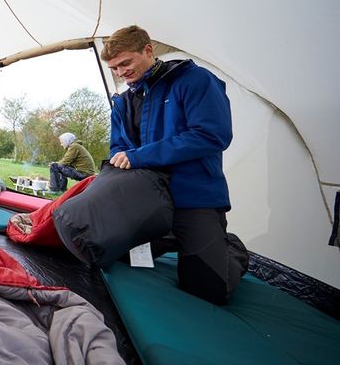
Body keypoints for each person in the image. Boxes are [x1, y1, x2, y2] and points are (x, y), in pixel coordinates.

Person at [101, 25, 249, 304]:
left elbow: (211, 135)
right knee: (114, 253)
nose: (121, 73)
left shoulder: (195, 80)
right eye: (114, 68)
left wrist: (140, 156)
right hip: (148, 201)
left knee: (209, 290)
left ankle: (231, 247)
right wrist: (121, 160)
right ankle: (170, 238)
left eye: (125, 63)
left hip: (194, 198)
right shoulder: (122, 102)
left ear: (148, 50)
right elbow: (118, 147)